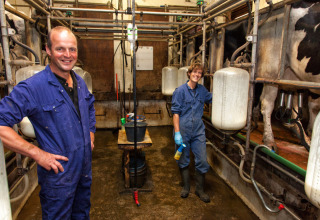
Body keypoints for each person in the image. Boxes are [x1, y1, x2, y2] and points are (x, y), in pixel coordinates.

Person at [0, 26, 96, 219]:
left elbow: (90, 108)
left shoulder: (79, 82)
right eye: (60, 49)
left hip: (83, 170)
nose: (67, 55)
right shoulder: (34, 87)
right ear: (48, 50)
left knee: (82, 215)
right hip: (58, 176)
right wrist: (37, 154)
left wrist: (90, 137)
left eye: (72, 49)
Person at [171, 63, 212, 203]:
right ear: (189, 73)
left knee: (201, 159)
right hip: (183, 130)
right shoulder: (180, 91)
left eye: (200, 73)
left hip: (198, 131)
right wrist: (177, 133)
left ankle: (200, 189)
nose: (197, 74)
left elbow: (214, 99)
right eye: (195, 72)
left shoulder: (203, 91)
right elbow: (175, 114)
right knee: (183, 159)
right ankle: (186, 187)